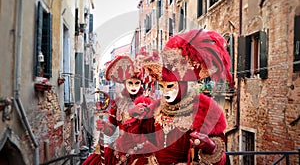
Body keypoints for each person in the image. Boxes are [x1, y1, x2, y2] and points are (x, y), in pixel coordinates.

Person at [129, 29, 233, 164]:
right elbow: (139, 137)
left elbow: (220, 153)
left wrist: (210, 146)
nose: (165, 92)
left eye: (170, 86)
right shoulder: (157, 107)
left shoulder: (205, 109)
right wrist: (135, 115)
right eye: (162, 86)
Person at [83, 55, 155, 165]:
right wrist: (104, 126)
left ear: (141, 83)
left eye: (137, 83)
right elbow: (111, 130)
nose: (133, 86)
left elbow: (150, 131)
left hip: (140, 150)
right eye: (130, 83)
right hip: (119, 149)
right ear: (125, 83)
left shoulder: (147, 102)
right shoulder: (119, 103)